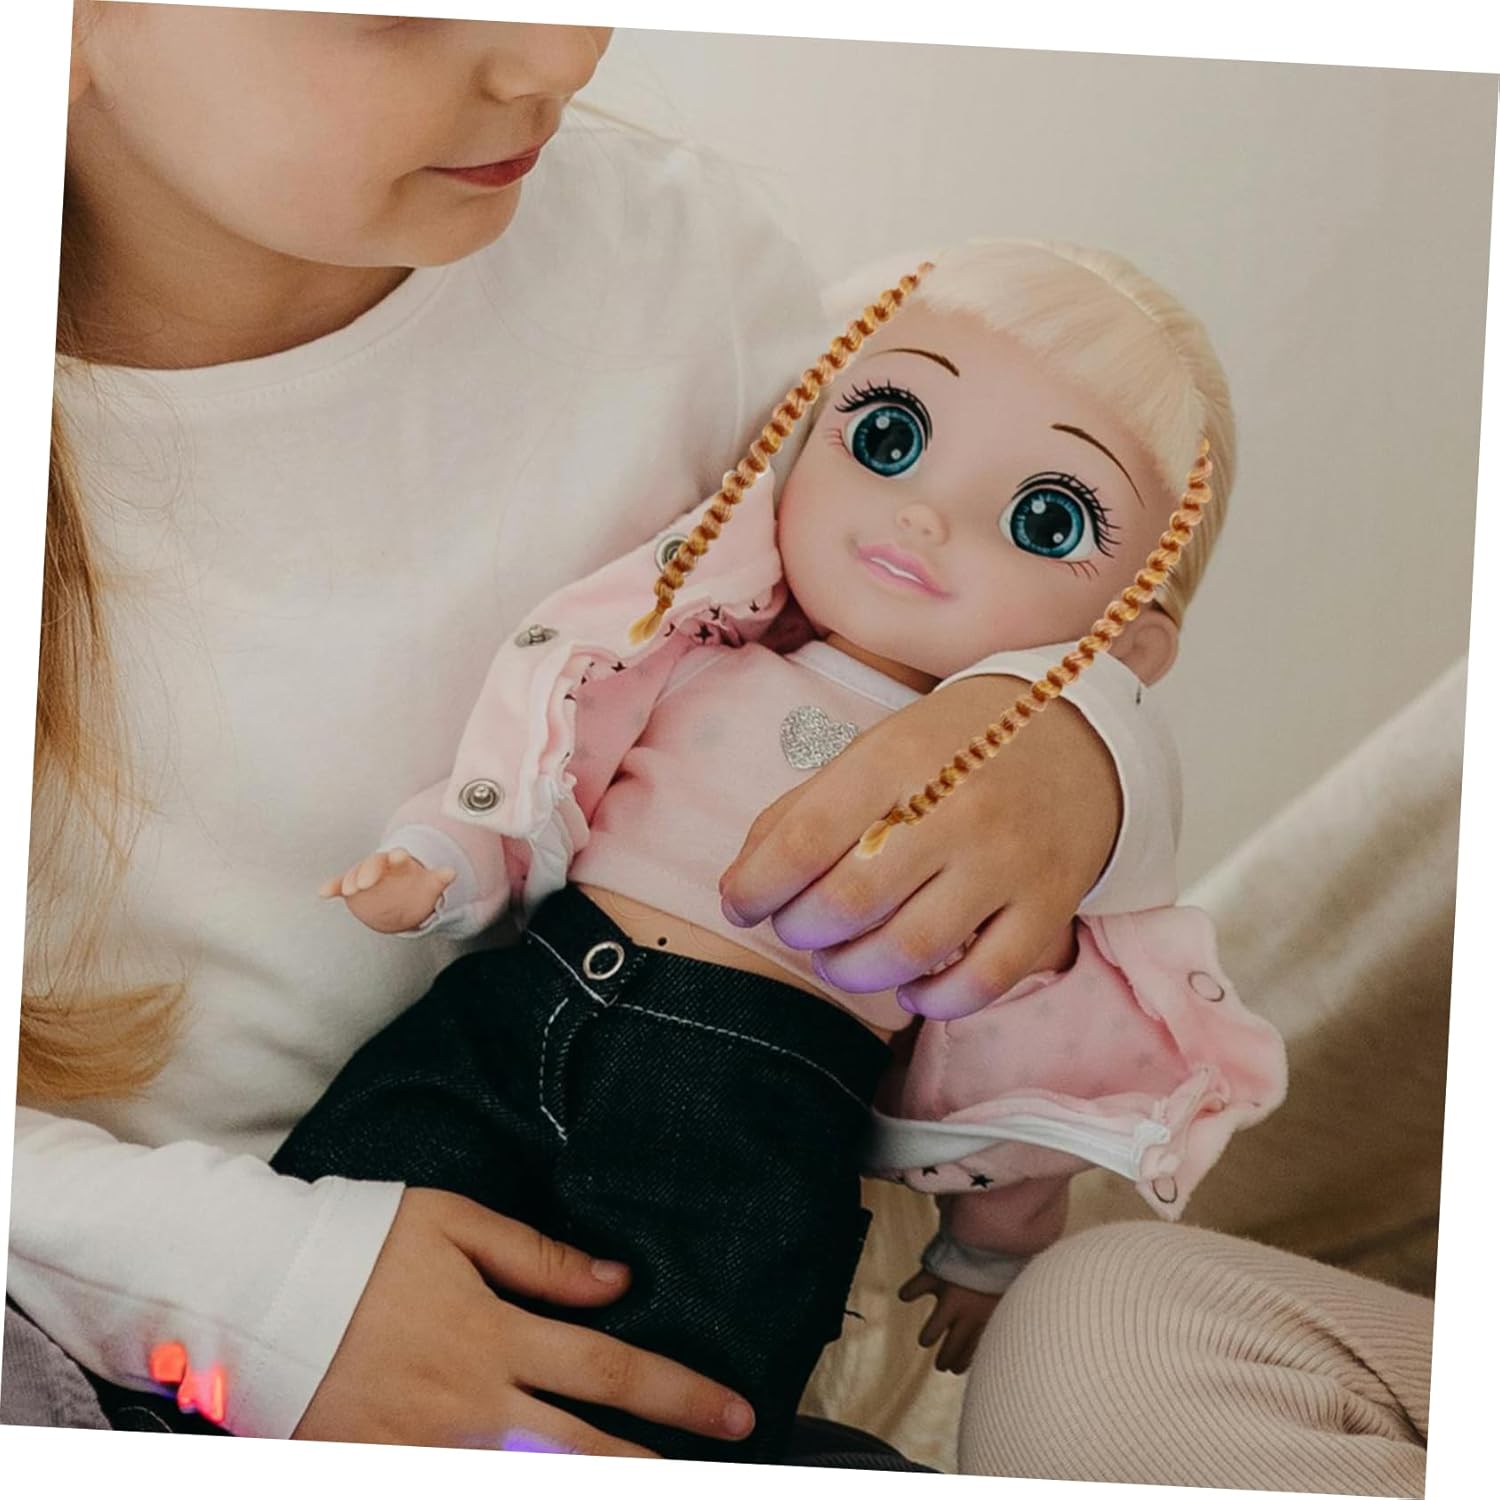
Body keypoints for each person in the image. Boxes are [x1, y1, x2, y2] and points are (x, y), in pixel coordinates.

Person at [7, 8, 1145, 1456]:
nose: (563, 52)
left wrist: (1086, 745)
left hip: (657, 1260)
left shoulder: (670, 261)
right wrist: (273, 1301)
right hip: (114, 1341)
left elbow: (920, 613)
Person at [229, 240, 1281, 1460]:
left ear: (1128, 650)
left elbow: (1022, 1048)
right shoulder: (695, 650)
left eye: (1043, 519)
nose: (923, 516)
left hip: (755, 1117)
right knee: (340, 1228)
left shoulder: (1016, 828)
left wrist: (990, 1245)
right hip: (520, 1004)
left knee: (649, 1399)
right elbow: (551, 754)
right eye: (888, 436)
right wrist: (447, 855)